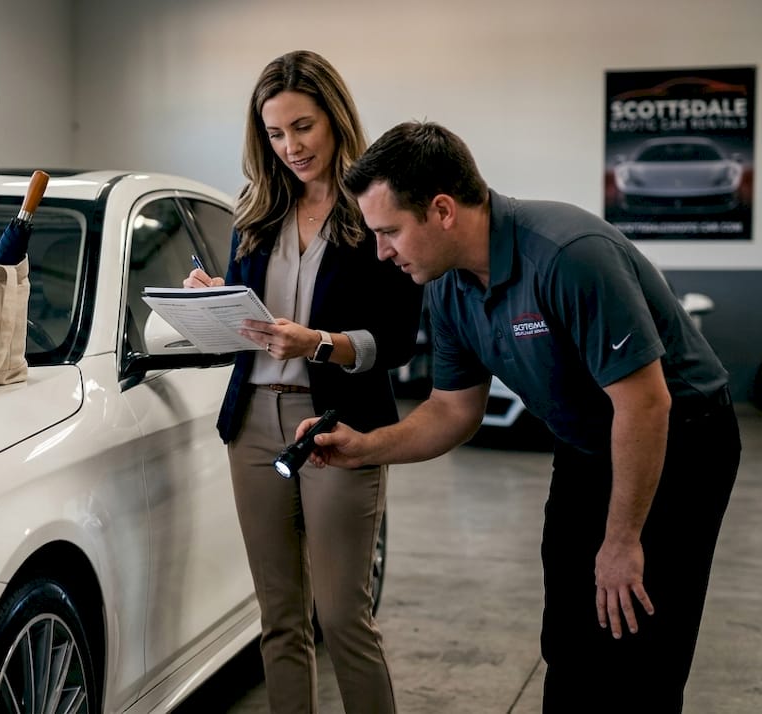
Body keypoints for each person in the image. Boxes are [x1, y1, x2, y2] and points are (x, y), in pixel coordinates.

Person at [303, 120, 740, 712]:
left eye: (390, 232)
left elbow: (646, 403)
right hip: (588, 442)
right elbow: (453, 410)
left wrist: (622, 540)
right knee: (568, 631)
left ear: (442, 210)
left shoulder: (568, 256)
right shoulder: (447, 286)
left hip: (679, 439)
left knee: (639, 640)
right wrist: (364, 446)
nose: (383, 252)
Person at [183, 51, 422, 714]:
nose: (291, 146)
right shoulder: (256, 210)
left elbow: (397, 342)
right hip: (252, 423)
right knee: (279, 618)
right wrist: (215, 303)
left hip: (337, 426)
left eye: (304, 127)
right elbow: (249, 331)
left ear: (335, 119)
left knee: (343, 617)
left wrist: (318, 343)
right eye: (276, 133)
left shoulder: (375, 207)